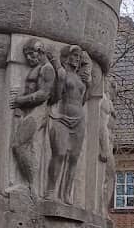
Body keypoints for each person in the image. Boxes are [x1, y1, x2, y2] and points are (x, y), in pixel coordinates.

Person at [9, 38, 56, 194]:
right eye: (26, 55)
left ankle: (31, 185)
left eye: (31, 54)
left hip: (38, 111)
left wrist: (20, 100)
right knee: (27, 146)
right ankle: (29, 184)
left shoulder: (47, 69)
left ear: (40, 52)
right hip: (30, 111)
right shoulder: (37, 68)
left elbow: (44, 94)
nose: (28, 58)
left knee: (19, 144)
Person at [46, 45, 90, 203]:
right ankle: (51, 190)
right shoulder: (63, 74)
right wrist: (60, 79)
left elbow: (82, 101)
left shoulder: (80, 78)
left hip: (79, 121)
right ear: (66, 56)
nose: (77, 58)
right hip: (62, 118)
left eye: (79, 56)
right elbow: (56, 97)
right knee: (59, 154)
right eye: (74, 55)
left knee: (73, 158)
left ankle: (66, 193)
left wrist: (88, 85)